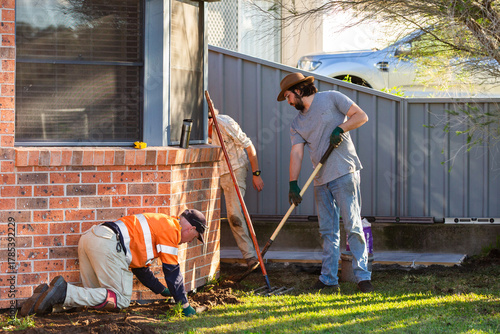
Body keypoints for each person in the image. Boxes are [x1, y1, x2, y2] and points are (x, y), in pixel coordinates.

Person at [277, 72, 374, 293]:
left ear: (299, 90)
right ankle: (329, 278)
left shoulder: (332, 98)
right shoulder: (297, 123)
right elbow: (297, 154)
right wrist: (293, 183)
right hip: (320, 180)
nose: (289, 101)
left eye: (289, 96)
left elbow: (361, 116)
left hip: (344, 173)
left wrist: (341, 128)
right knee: (328, 231)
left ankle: (362, 277)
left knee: (353, 226)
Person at [21, 209, 207, 317]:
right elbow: (173, 272)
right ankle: (64, 291)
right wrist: (184, 305)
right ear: (191, 228)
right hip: (108, 244)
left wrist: (161, 290)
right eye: (195, 237)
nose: (191, 241)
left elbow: (141, 269)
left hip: (91, 238)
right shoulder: (172, 231)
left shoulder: (162, 222)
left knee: (94, 297)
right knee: (121, 298)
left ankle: (44, 299)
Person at [208, 108, 264, 268]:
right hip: (215, 171)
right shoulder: (198, 130)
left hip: (235, 168)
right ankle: (208, 258)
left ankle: (250, 256)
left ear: (212, 117)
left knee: (234, 214)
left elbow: (248, 146)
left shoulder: (224, 123)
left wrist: (256, 173)